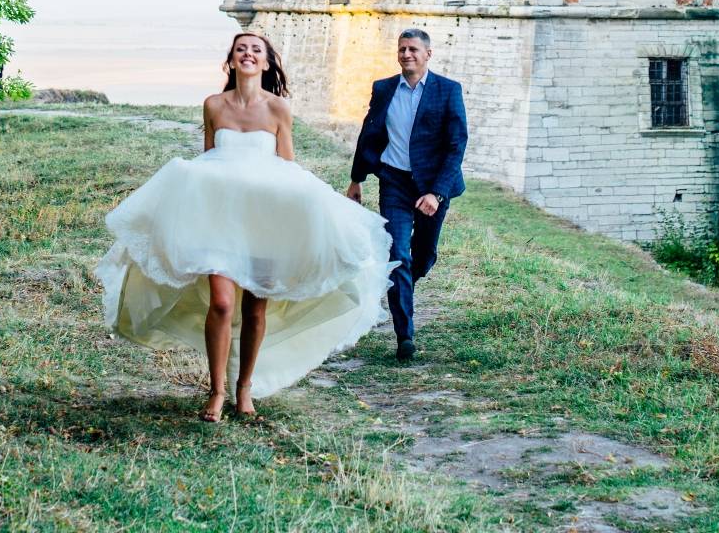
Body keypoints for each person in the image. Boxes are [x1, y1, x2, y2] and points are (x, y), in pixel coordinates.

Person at [96, 32, 394, 420]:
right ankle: (217, 390)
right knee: (221, 304)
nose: (248, 54)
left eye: (256, 50)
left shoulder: (278, 108)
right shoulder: (214, 105)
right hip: (221, 221)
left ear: (266, 63)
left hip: (264, 222)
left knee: (254, 311)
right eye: (241, 49)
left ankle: (244, 387)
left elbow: (287, 168)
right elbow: (209, 162)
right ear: (231, 61)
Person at [347, 29, 467, 361]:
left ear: (428, 54)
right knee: (398, 252)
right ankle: (405, 336)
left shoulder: (448, 90)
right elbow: (369, 133)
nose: (406, 54)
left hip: (432, 185)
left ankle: (400, 286)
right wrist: (356, 179)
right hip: (395, 183)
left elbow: (456, 145)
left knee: (423, 256)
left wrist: (436, 193)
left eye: (413, 49)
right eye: (402, 49)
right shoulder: (384, 88)